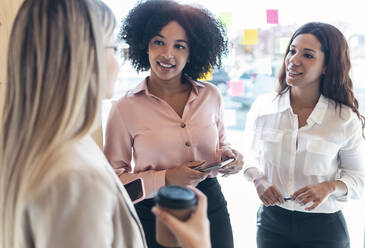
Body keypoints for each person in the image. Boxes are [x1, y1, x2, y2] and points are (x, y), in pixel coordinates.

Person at [0, 0, 211, 247]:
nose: (117, 61)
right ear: (83, 57)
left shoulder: (59, 148)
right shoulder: (76, 178)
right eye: (112, 48)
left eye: (180, 46)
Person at [104, 0, 244, 247]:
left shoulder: (211, 95)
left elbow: (221, 143)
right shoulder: (124, 108)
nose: (167, 54)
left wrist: (228, 157)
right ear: (144, 45)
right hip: (154, 212)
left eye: (180, 46)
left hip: (210, 203)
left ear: (192, 53)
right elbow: (116, 184)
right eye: (159, 42)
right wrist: (166, 178)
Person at [243, 22, 365, 248]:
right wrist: (258, 178)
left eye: (308, 55)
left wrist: (328, 187)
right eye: (292, 51)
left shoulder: (344, 119)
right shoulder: (263, 107)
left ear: (327, 66)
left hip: (324, 228)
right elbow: (248, 155)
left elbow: (357, 180)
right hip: (272, 223)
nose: (294, 60)